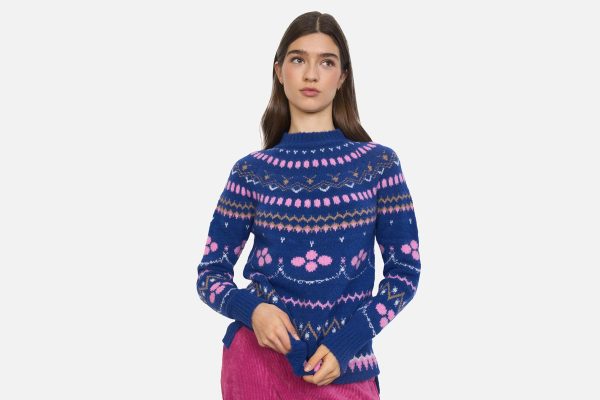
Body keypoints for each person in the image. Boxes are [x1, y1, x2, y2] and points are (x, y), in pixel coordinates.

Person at [196, 11, 421, 399]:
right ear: (279, 71)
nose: (312, 74)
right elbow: (210, 275)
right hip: (257, 364)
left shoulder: (379, 165)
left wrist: (348, 341)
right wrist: (253, 311)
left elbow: (405, 273)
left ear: (343, 76)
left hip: (345, 370)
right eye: (299, 59)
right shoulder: (251, 171)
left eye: (327, 62)